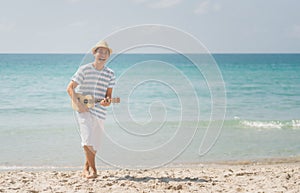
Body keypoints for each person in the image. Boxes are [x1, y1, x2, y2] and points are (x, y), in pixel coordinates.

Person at [66, 40, 115, 179]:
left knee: (95, 144)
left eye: (106, 52)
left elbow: (109, 97)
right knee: (87, 140)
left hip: (100, 111)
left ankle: (85, 168)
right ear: (94, 53)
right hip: (83, 109)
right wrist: (79, 105)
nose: (103, 55)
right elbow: (70, 88)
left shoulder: (110, 73)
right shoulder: (84, 69)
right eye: (100, 51)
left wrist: (107, 102)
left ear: (108, 56)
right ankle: (94, 170)